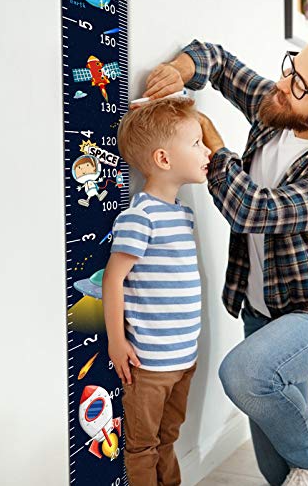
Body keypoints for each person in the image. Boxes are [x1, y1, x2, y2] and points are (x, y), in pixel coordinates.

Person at [142, 27, 308, 485]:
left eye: (299, 84)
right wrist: (181, 68)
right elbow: (217, 60)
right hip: (261, 310)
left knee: (243, 374)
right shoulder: (283, 105)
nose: (283, 84)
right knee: (279, 472)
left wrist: (217, 148)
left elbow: (254, 210)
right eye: (291, 67)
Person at [102, 98, 210, 486]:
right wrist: (118, 342)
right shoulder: (139, 216)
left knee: (169, 437)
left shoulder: (183, 213)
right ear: (163, 158)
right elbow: (113, 279)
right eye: (197, 143)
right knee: (143, 445)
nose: (208, 150)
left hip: (184, 358)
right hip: (148, 365)